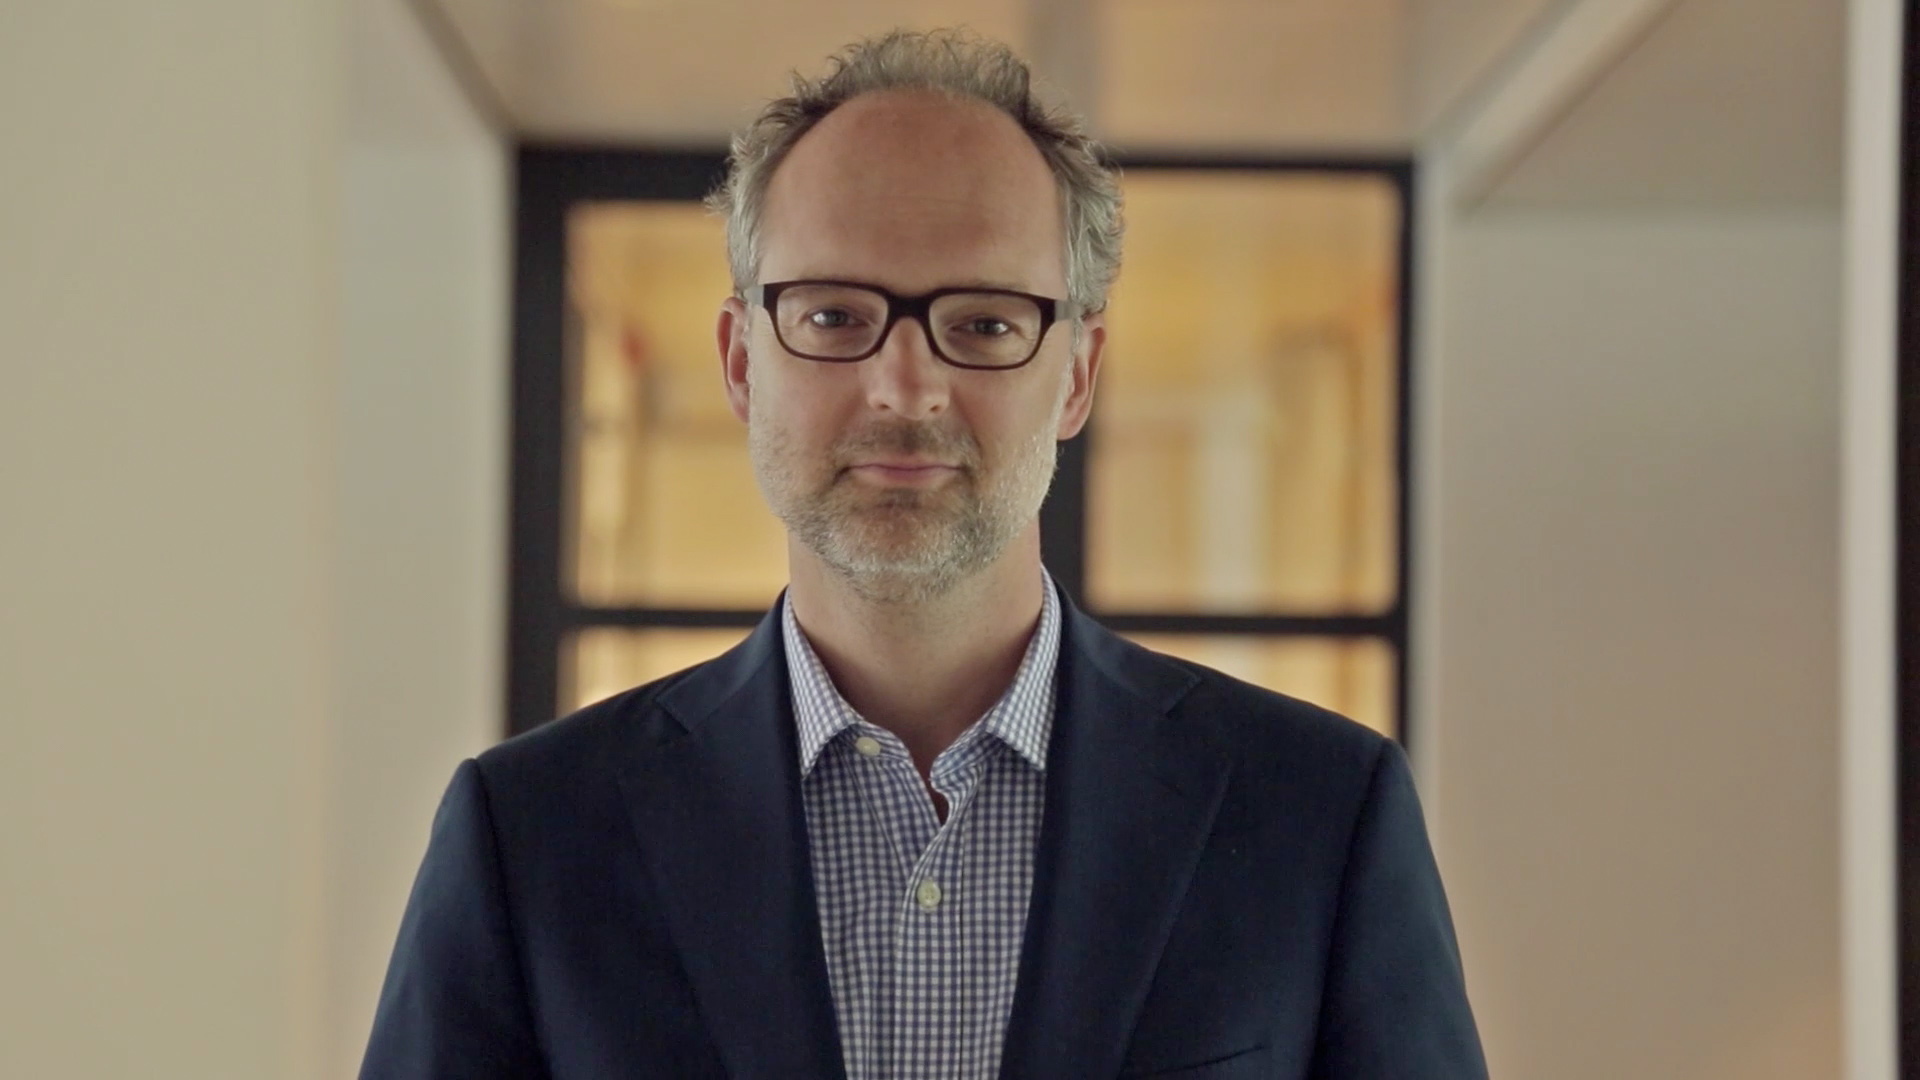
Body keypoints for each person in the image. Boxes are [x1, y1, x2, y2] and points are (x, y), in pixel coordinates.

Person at [360, 28, 1487, 1080]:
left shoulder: (1321, 818)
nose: (905, 388)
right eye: (834, 317)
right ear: (742, 361)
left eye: (985, 323)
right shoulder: (530, 839)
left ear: (1078, 374)